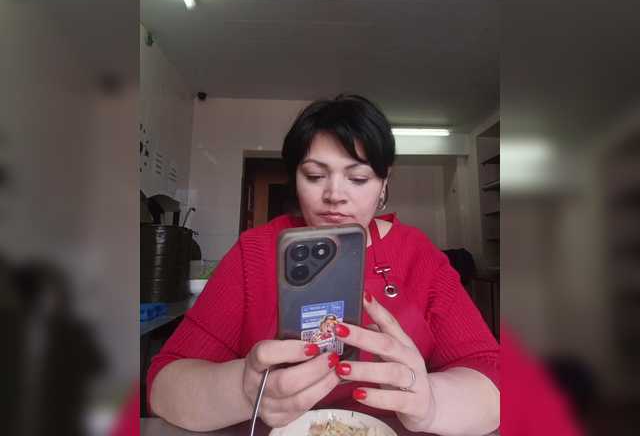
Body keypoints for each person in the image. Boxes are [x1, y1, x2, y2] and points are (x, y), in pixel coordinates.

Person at [148, 95, 500, 435]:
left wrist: (431, 404)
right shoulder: (254, 251)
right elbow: (164, 385)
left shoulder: (419, 255)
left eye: (358, 178)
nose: (334, 195)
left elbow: (493, 377)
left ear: (383, 184)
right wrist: (244, 389)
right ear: (295, 179)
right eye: (315, 176)